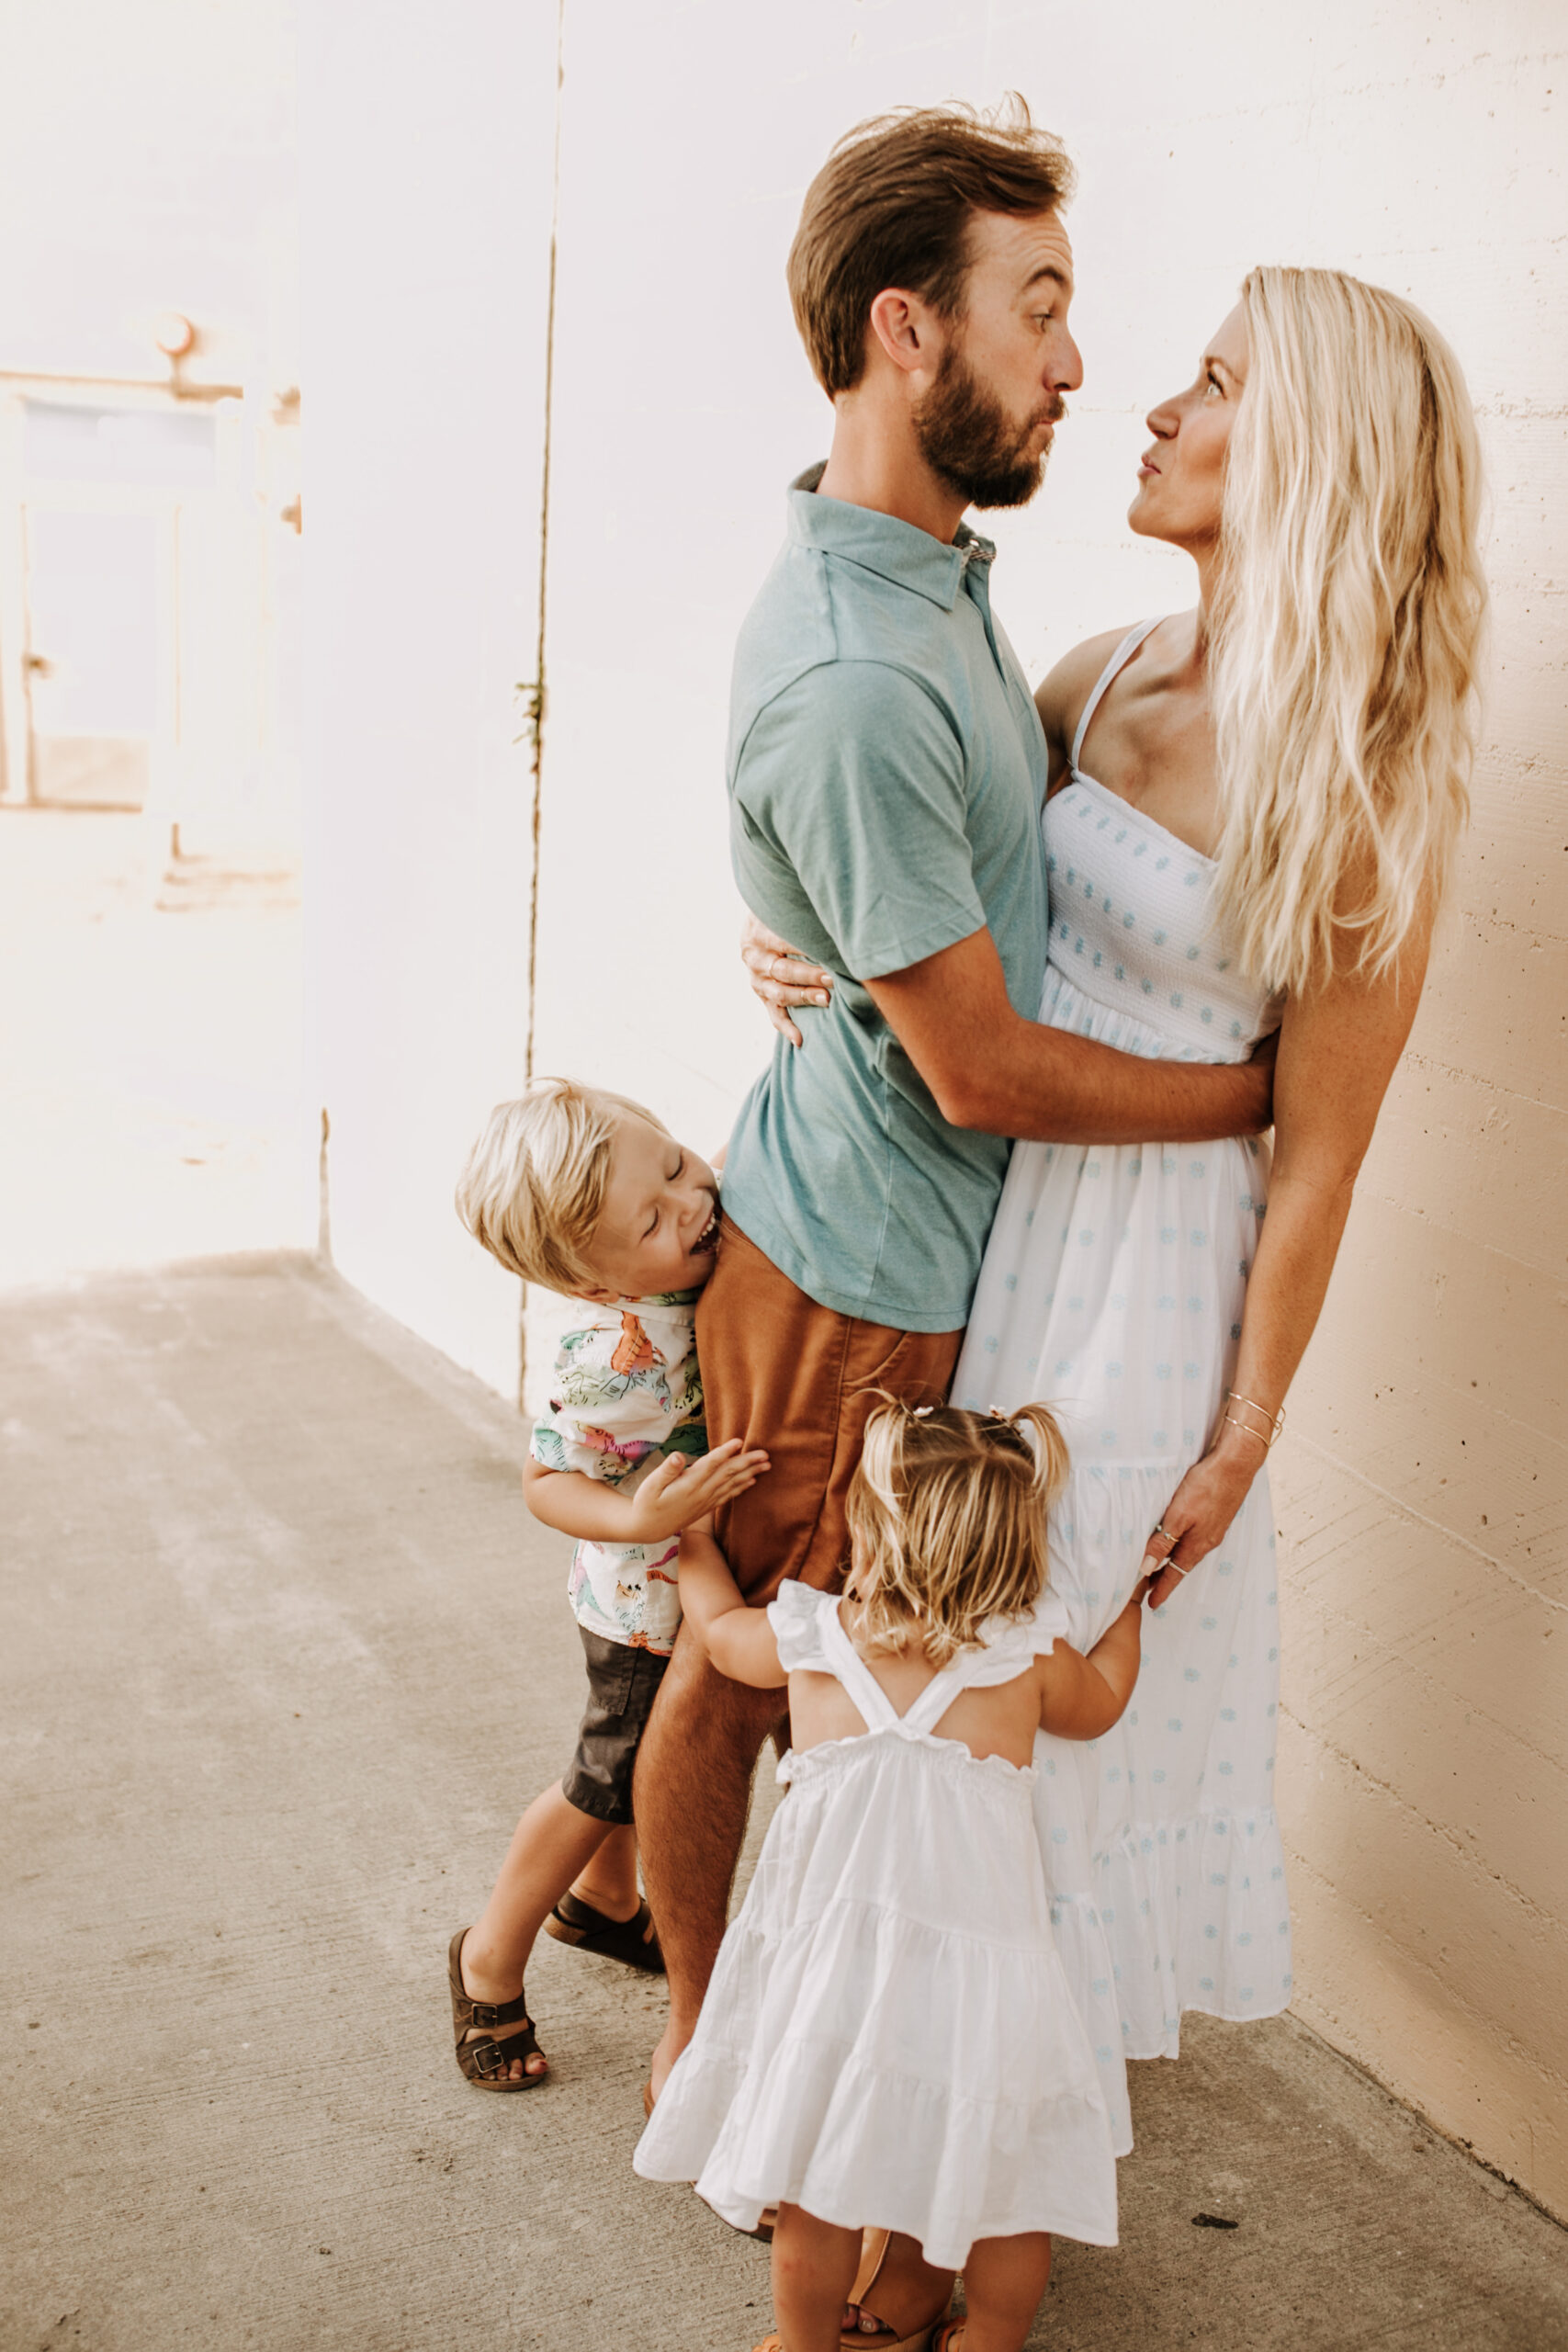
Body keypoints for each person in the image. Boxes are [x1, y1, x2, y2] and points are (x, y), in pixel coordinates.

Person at [750, 265, 1487, 2190]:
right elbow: (940, 918)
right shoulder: (1084, 671)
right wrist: (808, 952)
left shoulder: (1363, 786)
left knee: (1053, 1724)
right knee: (934, 1696)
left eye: (1213, 380)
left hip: (1155, 1301)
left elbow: (1315, 1159)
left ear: (1308, 452)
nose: (1149, 407)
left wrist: (1241, 1433)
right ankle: (889, 2154)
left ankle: (980, 2203)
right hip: (1005, 1234)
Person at [631, 103, 1276, 2191]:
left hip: (924, 1254)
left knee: (842, 1689)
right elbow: (981, 1064)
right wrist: (1252, 1096)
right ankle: (704, 2048)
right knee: (764, 1682)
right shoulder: (849, 665)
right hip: (851, 1277)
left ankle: (751, 2037)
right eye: (1040, 308)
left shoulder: (928, 585)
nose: (1076, 363)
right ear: (909, 331)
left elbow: (900, 909)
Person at [636, 1400, 1148, 2352]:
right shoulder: (1029, 1655)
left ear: (873, 1531)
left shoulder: (817, 1635)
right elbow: (1104, 1705)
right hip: (986, 1981)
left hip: (833, 1974)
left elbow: (716, 1630)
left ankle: (804, 2347)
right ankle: (989, 2339)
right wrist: (1129, 1608)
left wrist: (694, 1539)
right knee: (1008, 2184)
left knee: (816, 2191)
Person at [446, 1078, 768, 2088]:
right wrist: (640, 1516)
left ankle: (604, 1904)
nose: (693, 1204)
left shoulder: (688, 1256)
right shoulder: (608, 1362)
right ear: (595, 1283)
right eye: (655, 1218)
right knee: (610, 1778)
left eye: (677, 1165)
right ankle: (489, 1956)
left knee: (639, 1766)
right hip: (643, 1603)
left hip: (685, 1588)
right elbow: (546, 1482)